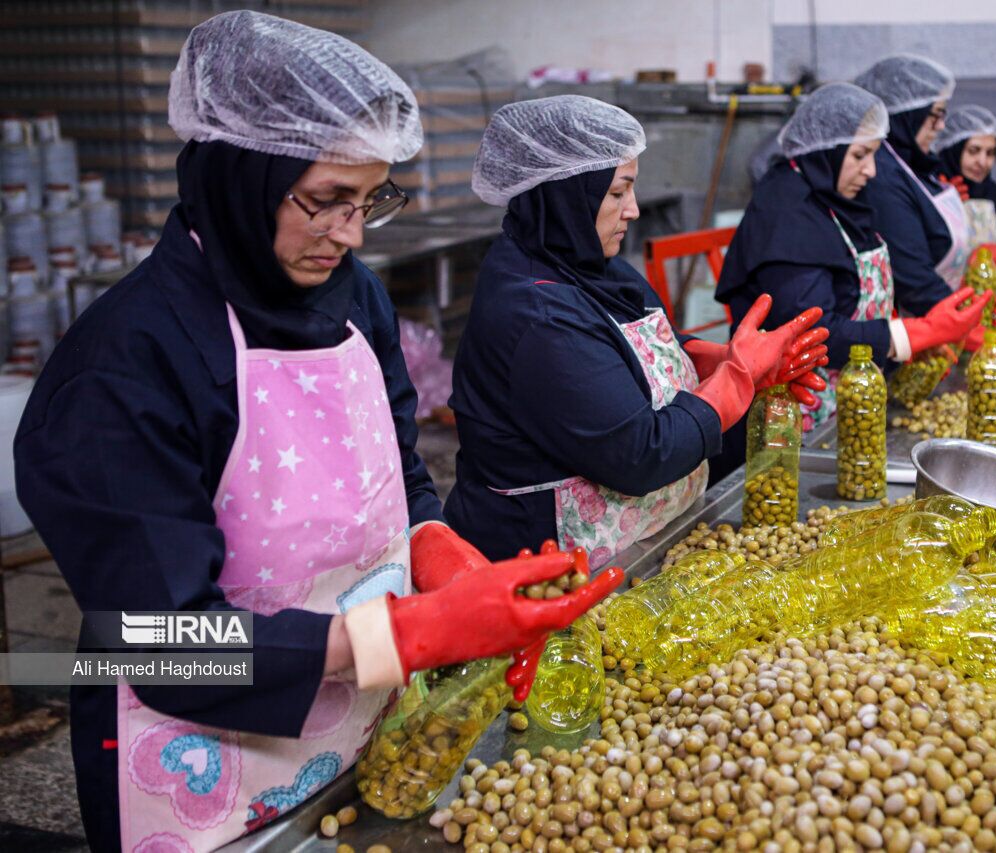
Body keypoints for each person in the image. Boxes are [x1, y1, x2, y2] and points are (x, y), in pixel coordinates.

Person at [13, 13, 618, 852]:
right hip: (206, 770)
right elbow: (161, 644)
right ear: (241, 175)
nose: (353, 233)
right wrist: (407, 633)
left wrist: (435, 547)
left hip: (363, 730)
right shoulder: (126, 365)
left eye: (371, 200)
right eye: (327, 199)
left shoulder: (352, 296)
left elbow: (398, 467)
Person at [446, 95, 829, 566]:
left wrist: (717, 359)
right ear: (567, 196)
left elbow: (636, 344)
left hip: (642, 539)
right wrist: (736, 380)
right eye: (616, 193)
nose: (633, 210)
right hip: (551, 566)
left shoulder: (595, 268)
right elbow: (640, 455)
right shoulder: (535, 313)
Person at [716, 83, 991, 430]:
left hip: (851, 395)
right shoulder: (788, 212)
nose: (871, 171)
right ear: (826, 149)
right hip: (792, 418)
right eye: (860, 155)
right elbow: (814, 330)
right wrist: (914, 333)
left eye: (873, 155)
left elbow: (852, 293)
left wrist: (902, 347)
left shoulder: (833, 196)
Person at [857, 54, 996, 359]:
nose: (941, 126)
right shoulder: (884, 177)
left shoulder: (917, 170)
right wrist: (985, 339)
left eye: (990, 153)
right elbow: (915, 280)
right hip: (911, 331)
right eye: (935, 115)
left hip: (939, 327)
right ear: (910, 114)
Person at [933, 104, 996, 252]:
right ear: (953, 151)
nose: (982, 162)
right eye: (973, 151)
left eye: (990, 153)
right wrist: (945, 203)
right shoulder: (930, 190)